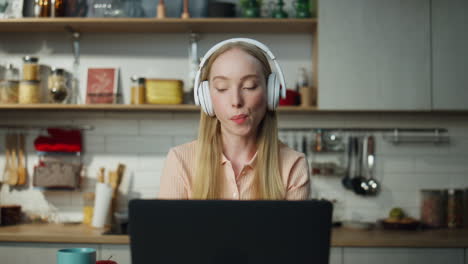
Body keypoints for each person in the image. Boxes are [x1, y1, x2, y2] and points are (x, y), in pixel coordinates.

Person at [159, 38, 310, 200]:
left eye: (249, 86)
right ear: (206, 98)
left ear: (271, 92)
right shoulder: (181, 160)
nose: (236, 101)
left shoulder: (293, 165)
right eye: (222, 88)